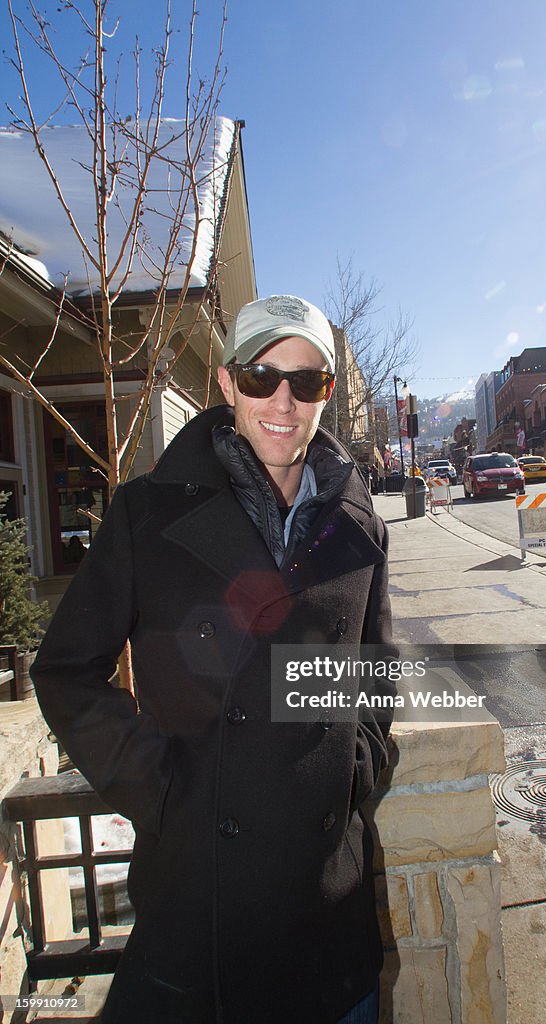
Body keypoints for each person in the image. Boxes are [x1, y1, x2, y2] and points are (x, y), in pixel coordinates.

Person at [31, 295, 394, 1024]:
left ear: (328, 393)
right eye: (261, 378)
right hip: (202, 912)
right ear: (226, 385)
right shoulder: (147, 514)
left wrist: (359, 762)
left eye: (307, 381)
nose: (283, 402)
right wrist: (163, 789)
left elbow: (373, 673)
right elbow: (66, 670)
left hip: (332, 914)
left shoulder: (360, 526)